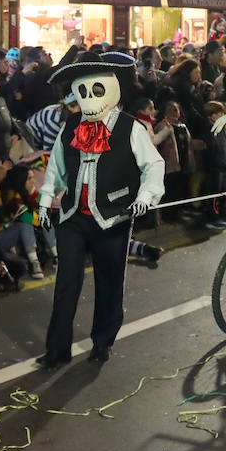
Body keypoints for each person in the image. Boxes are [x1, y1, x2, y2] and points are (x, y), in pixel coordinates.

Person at [37, 52, 164, 368]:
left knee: (109, 283)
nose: (88, 98)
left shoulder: (129, 128)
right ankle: (56, 350)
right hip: (72, 218)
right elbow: (56, 167)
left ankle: (102, 342)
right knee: (66, 283)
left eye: (96, 90)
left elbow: (153, 165)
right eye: (83, 91)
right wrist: (45, 198)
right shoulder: (71, 127)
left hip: (113, 217)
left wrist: (147, 195)